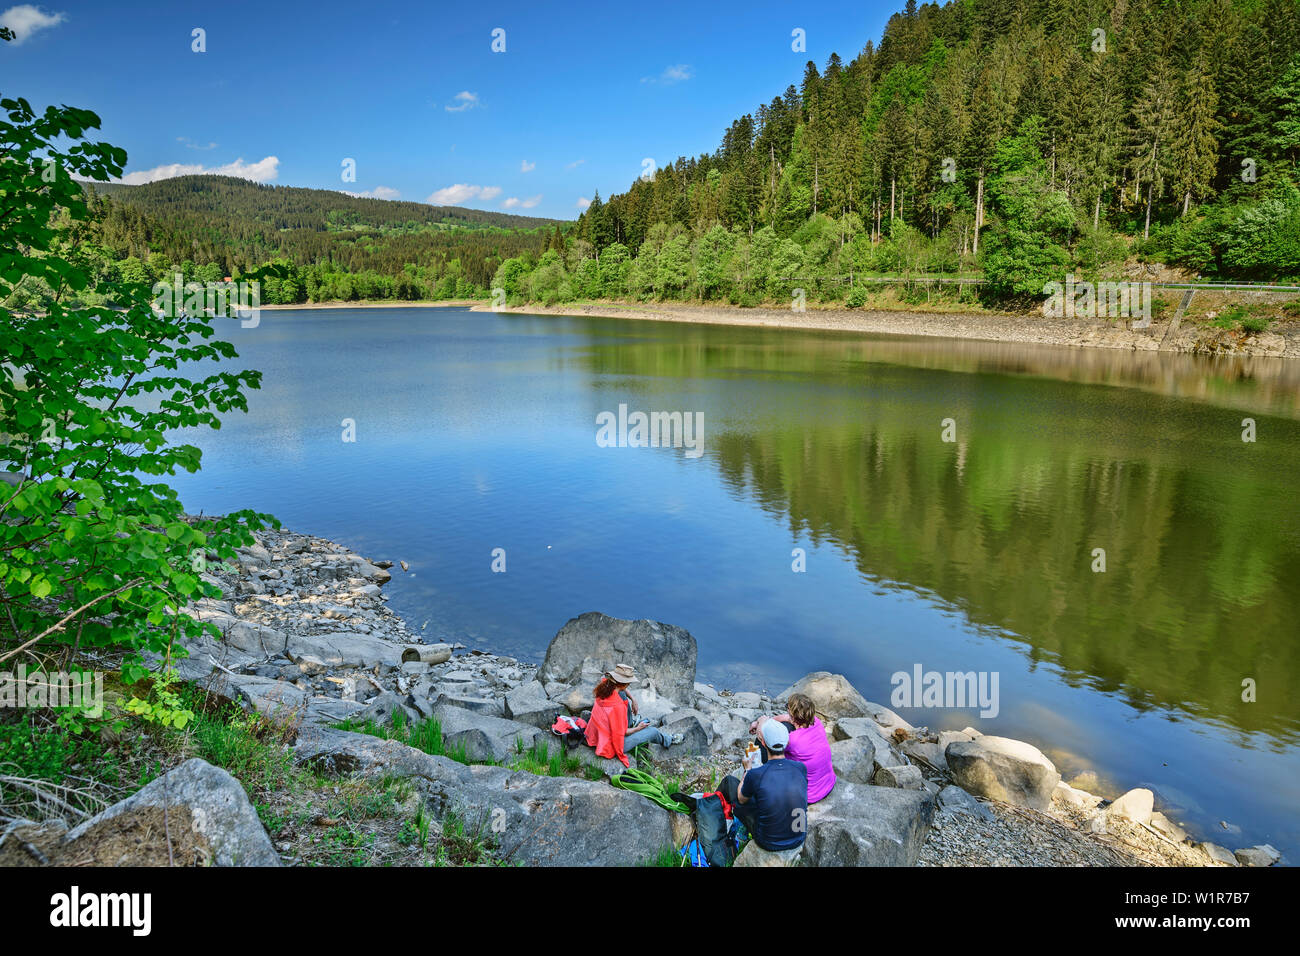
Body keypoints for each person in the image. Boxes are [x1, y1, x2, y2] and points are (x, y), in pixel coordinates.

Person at [718, 719, 808, 852]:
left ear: (764, 744)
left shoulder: (755, 774)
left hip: (769, 841)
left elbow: (741, 799)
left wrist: (747, 769)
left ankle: (716, 816)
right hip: (799, 836)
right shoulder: (800, 767)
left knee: (732, 785)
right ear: (787, 743)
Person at [584, 664, 682, 767]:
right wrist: (638, 728)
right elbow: (624, 732)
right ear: (625, 684)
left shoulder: (604, 686)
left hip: (596, 734)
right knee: (653, 731)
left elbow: (621, 688)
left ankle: (630, 723)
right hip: (611, 744)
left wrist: (633, 699)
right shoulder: (618, 706)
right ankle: (668, 740)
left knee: (622, 694)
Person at [748, 693, 836, 803]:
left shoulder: (792, 740)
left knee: (766, 743)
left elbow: (762, 734)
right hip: (826, 784)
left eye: (787, 708)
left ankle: (759, 773)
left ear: (793, 714)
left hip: (807, 795)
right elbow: (787, 718)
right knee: (786, 725)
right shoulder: (816, 722)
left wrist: (760, 721)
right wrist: (765, 721)